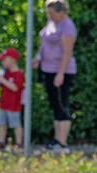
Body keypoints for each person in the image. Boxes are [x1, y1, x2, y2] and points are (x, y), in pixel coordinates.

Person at [32, 0, 76, 153]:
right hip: (48, 69)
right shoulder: (51, 23)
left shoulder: (67, 27)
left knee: (61, 104)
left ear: (61, 12)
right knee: (55, 104)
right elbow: (44, 42)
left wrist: (61, 73)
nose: (49, 15)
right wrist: (37, 58)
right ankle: (57, 139)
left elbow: (67, 52)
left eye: (51, 13)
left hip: (61, 71)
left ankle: (62, 143)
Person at [0, 48, 25, 153]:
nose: (2, 62)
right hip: (3, 104)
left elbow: (15, 87)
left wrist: (3, 80)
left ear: (12, 59)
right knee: (1, 124)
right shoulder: (5, 73)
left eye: (4, 60)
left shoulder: (18, 74)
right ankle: (1, 143)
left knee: (16, 124)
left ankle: (19, 144)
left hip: (13, 106)